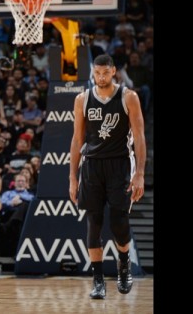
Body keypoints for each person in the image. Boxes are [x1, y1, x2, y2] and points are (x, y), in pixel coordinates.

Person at [69, 54, 146, 300]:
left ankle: (124, 268)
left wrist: (140, 174)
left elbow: (140, 137)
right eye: (96, 73)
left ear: (113, 72)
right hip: (91, 166)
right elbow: (77, 140)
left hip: (120, 164)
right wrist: (72, 177)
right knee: (93, 225)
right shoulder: (82, 99)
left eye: (104, 72)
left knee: (119, 224)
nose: (100, 77)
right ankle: (98, 280)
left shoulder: (128, 97)